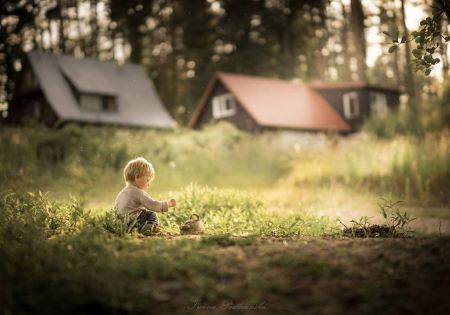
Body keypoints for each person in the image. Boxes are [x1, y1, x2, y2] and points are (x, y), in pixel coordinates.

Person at [114, 157, 176, 234]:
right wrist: (168, 204)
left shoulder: (121, 194)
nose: (148, 184)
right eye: (147, 180)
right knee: (152, 214)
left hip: (122, 224)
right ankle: (150, 229)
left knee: (142, 212)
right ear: (137, 177)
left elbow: (116, 210)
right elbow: (153, 205)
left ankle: (133, 230)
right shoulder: (138, 192)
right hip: (133, 222)